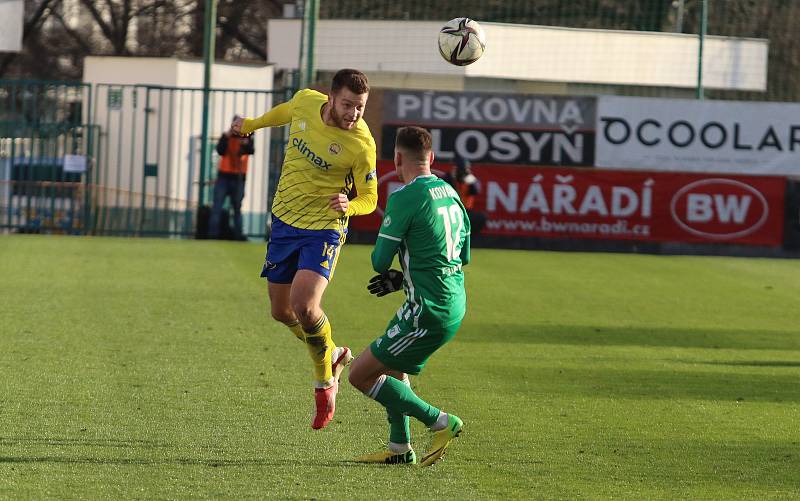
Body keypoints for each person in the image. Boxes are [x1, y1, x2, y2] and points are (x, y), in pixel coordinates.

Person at [231, 69, 378, 430]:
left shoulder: (362, 144)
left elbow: (371, 198)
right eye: (348, 105)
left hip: (324, 229)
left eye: (360, 108)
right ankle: (334, 353)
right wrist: (250, 124)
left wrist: (350, 205)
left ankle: (324, 380)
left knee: (304, 304)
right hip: (284, 221)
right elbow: (283, 112)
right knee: (281, 311)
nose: (353, 114)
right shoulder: (305, 102)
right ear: (330, 98)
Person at [348, 126, 470, 466]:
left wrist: (394, 271)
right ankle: (400, 447)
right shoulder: (451, 192)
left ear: (397, 158)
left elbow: (377, 262)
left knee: (360, 374)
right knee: (393, 365)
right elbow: (460, 258)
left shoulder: (404, 197)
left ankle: (440, 421)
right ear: (431, 158)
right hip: (451, 301)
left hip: (427, 310)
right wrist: (405, 280)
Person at [209, 116, 254, 240]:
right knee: (217, 207)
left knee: (237, 208)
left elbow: (250, 150)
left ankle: (238, 236)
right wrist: (227, 136)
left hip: (239, 177)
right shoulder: (226, 137)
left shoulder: (247, 137)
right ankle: (213, 235)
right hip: (224, 175)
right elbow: (220, 151)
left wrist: (246, 141)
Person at [442, 156, 486, 236]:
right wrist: (452, 177)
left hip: (465, 211)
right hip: (450, 210)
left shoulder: (470, 181)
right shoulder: (448, 179)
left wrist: (469, 177)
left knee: (480, 217)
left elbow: (476, 190)